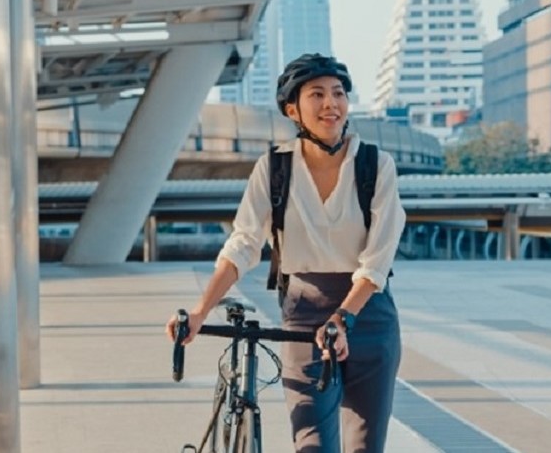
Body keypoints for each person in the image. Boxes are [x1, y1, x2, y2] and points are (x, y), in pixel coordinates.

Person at [165, 53, 406, 453]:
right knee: (311, 445)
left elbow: (378, 258)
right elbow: (242, 243)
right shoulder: (274, 168)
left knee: (366, 447)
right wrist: (200, 311)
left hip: (369, 317)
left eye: (338, 93)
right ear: (293, 109)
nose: (331, 104)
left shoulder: (376, 165)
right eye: (317, 94)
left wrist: (343, 317)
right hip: (304, 316)